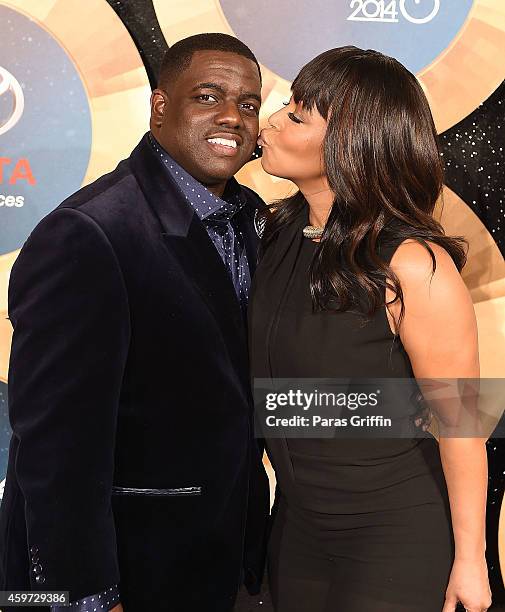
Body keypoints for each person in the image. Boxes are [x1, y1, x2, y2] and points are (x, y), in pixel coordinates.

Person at [0, 33, 270, 612]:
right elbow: (55, 449)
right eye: (208, 95)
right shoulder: (90, 234)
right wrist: (85, 594)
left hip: (215, 561)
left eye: (249, 103)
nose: (232, 116)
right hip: (126, 571)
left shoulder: (250, 220)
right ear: (160, 105)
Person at [249, 46, 492, 612]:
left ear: (352, 144)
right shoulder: (277, 234)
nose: (270, 123)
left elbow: (461, 424)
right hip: (298, 532)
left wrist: (471, 560)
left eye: (296, 115)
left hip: (396, 536)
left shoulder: (412, 265)